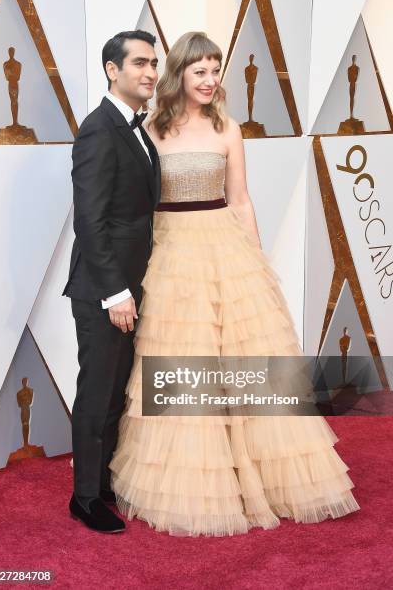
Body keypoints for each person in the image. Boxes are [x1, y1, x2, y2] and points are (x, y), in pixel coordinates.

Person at [109, 31, 361, 537]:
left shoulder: (228, 129)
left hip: (225, 247)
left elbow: (240, 199)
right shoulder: (149, 130)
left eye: (215, 69)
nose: (210, 79)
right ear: (177, 73)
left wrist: (256, 259)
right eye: (199, 70)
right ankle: (199, 478)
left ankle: (261, 476)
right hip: (171, 255)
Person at [62, 30, 160, 533]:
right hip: (105, 289)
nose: (149, 72)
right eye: (139, 63)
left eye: (154, 64)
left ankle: (101, 484)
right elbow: (90, 221)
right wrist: (116, 292)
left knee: (116, 390)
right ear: (111, 69)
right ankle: (84, 498)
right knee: (96, 391)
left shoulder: (137, 129)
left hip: (131, 284)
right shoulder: (100, 129)